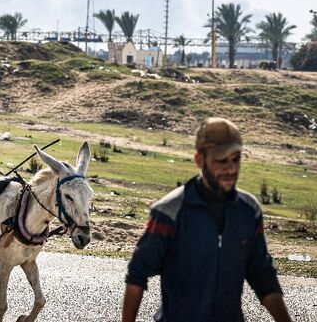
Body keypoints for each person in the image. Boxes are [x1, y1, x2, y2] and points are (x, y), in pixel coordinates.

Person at [121, 117, 292, 322]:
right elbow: (136, 276)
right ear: (200, 161)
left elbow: (263, 276)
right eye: (221, 160)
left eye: (236, 159)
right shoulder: (170, 211)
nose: (230, 169)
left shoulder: (249, 211)